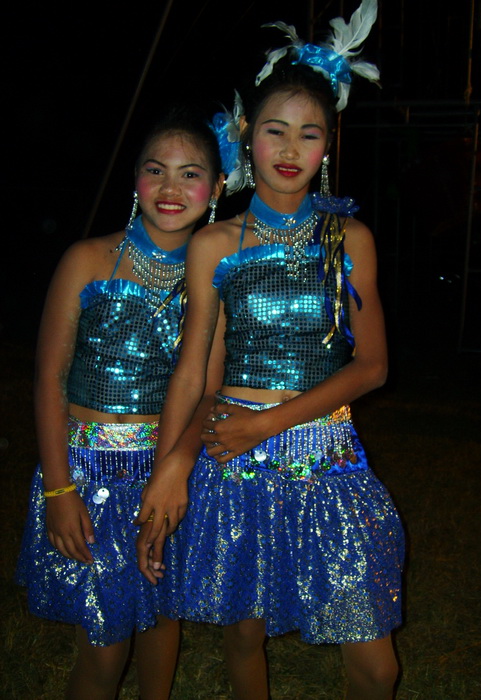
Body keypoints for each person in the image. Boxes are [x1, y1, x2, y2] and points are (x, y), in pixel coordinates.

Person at [138, 2, 404, 697]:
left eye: (308, 134)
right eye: (274, 131)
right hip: (234, 463)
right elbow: (196, 372)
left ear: (326, 148)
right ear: (246, 139)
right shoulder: (214, 243)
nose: (289, 149)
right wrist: (171, 465)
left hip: (327, 457)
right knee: (243, 636)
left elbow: (372, 366)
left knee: (375, 663)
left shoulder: (349, 239)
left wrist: (268, 423)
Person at [15, 105, 224, 700]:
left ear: (216, 188)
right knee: (104, 646)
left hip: (168, 477)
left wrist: (175, 471)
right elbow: (49, 379)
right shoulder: (86, 259)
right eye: (156, 170)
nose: (170, 187)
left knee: (160, 618)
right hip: (87, 475)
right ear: (135, 179)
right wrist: (60, 489)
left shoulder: (217, 280)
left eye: (189, 174)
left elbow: (208, 393)